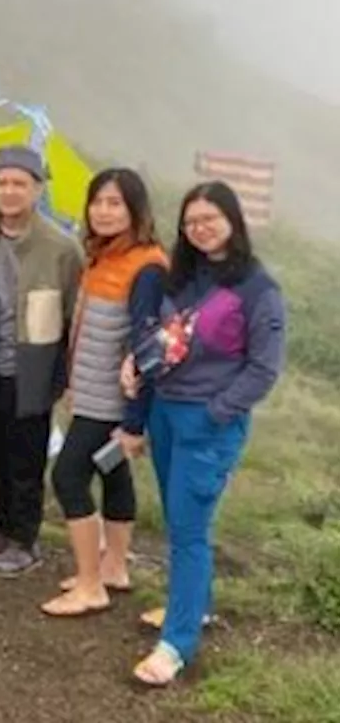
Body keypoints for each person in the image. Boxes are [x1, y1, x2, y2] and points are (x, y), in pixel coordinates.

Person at [124, 181, 286, 688]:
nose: (199, 228)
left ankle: (177, 643)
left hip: (208, 423)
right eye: (191, 221)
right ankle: (197, 608)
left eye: (210, 218)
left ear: (234, 221)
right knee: (181, 521)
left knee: (188, 531)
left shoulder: (259, 288)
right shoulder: (184, 277)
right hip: (167, 413)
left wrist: (218, 412)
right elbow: (163, 337)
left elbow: (264, 368)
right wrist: (136, 361)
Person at [41, 168, 168, 618]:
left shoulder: (147, 267)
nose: (104, 211)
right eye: (98, 201)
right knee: (112, 473)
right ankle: (113, 568)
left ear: (136, 210)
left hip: (113, 401)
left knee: (68, 476)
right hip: (92, 391)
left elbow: (149, 348)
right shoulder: (102, 256)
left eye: (116, 203)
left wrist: (135, 421)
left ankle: (90, 585)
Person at [0, 147, 83, 578]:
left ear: (37, 189)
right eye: (3, 182)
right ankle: (3, 528)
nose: (10, 191)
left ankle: (26, 539)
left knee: (27, 456)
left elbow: (75, 316)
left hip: (34, 366)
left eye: (20, 183)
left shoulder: (61, 247)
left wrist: (67, 378)